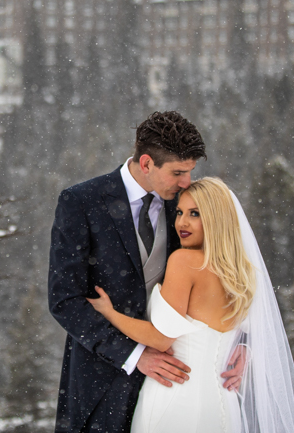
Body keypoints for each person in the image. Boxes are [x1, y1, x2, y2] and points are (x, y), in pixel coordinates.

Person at [50, 111, 243, 433]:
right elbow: (64, 300)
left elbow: (230, 269)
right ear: (146, 164)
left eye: (190, 172)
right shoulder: (81, 202)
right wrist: (134, 354)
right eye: (178, 172)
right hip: (103, 380)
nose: (187, 182)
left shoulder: (186, 206)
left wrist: (243, 343)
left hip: (181, 382)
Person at [87, 177, 294, 433]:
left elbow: (160, 339)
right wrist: (245, 349)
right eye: (180, 212)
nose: (182, 222)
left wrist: (109, 313)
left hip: (174, 399)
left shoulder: (185, 261)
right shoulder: (242, 273)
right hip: (223, 405)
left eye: (195, 214)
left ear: (216, 219)